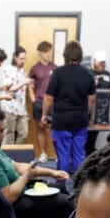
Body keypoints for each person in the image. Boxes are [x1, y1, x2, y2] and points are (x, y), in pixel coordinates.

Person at [0, 104, 72, 218]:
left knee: (60, 187)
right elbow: (7, 198)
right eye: (1, 131)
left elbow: (19, 167)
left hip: (18, 195)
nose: (4, 135)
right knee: (66, 203)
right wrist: (25, 176)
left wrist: (52, 173)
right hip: (7, 209)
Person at [42, 40, 95, 174]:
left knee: (63, 154)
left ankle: (62, 183)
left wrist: (44, 115)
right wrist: (85, 113)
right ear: (80, 56)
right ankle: (78, 183)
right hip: (80, 120)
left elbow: (48, 97)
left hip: (61, 121)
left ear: (65, 55)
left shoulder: (58, 72)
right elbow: (91, 98)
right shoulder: (88, 73)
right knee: (79, 154)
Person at [27, 41, 56, 163]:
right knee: (40, 128)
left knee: (56, 129)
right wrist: (34, 102)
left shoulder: (55, 68)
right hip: (39, 102)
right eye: (45, 52)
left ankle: (57, 154)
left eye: (49, 51)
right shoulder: (34, 69)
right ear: (40, 53)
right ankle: (43, 153)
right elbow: (30, 87)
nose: (47, 54)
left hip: (53, 103)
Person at [84, 49, 110, 156]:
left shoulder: (108, 74)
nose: (102, 64)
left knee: (93, 136)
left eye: (103, 62)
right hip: (88, 110)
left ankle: (90, 154)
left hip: (101, 111)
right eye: (99, 62)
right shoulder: (88, 73)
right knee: (86, 137)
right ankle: (88, 154)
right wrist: (93, 84)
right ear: (94, 61)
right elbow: (83, 91)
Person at [0, 46, 31, 145]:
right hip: (9, 107)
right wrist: (24, 82)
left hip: (21, 108)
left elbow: (22, 93)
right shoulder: (8, 70)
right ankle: (9, 155)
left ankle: (17, 153)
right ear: (15, 57)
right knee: (9, 134)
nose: (23, 61)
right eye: (21, 59)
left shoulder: (22, 71)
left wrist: (25, 110)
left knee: (24, 133)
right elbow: (8, 89)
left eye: (24, 59)